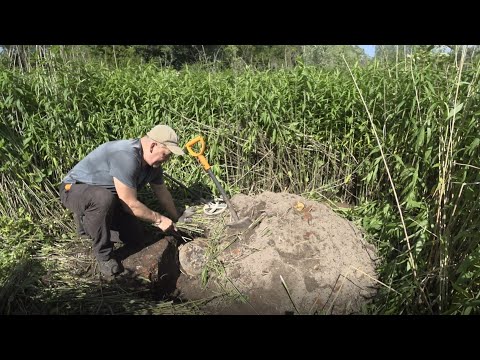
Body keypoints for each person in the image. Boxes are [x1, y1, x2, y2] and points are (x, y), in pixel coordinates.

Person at [59, 124, 184, 277]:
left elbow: (162, 192)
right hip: (74, 190)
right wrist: (159, 220)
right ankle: (103, 255)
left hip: (112, 198)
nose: (167, 159)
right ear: (153, 146)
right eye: (166, 154)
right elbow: (130, 203)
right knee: (102, 198)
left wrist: (176, 219)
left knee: (136, 237)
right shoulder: (126, 155)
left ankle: (93, 223)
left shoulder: (153, 166)